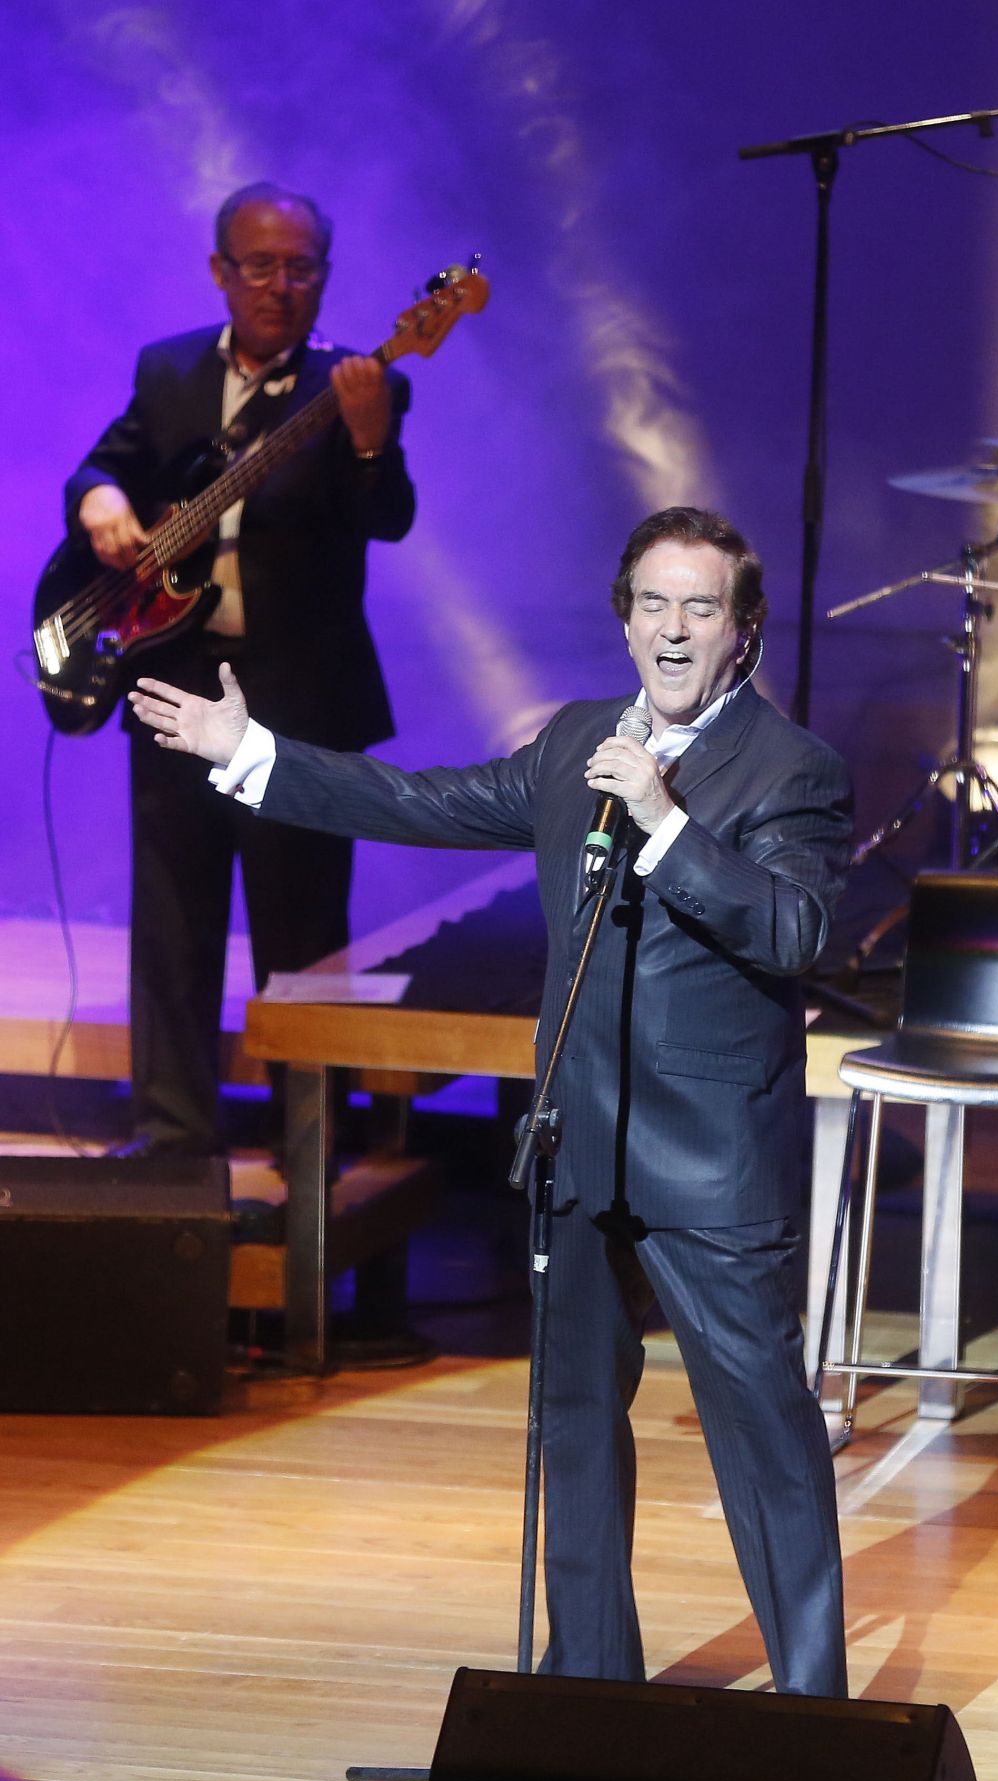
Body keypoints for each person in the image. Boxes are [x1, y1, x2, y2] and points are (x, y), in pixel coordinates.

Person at [128, 506, 854, 1698]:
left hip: (712, 1162)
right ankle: (585, 1691)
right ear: (624, 622)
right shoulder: (576, 742)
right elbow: (424, 803)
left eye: (701, 609)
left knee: (765, 1435)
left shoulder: (792, 768)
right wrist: (251, 753)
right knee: (571, 1423)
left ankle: (818, 1716)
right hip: (576, 1145)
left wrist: (668, 826)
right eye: (653, 606)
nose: (673, 632)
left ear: (744, 632)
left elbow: (797, 930)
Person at [65, 181, 415, 1158]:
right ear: (221, 273)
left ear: (324, 279)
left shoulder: (358, 381)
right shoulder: (169, 369)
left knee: (300, 938)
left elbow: (386, 517)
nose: (279, 285)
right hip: (176, 683)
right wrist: (97, 497)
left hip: (298, 702)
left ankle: (308, 1151)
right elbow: (104, 464)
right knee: (172, 928)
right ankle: (170, 1138)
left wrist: (369, 440)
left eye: (301, 267)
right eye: (259, 265)